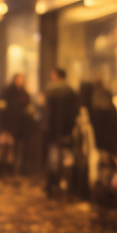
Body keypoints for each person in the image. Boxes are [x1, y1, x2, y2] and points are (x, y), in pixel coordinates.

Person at [43, 68, 81, 199]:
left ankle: (52, 186)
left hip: (52, 132)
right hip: (66, 131)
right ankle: (66, 185)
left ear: (56, 76)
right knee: (66, 158)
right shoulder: (70, 92)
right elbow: (74, 112)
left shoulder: (49, 91)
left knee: (53, 159)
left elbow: (46, 114)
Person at [0, 72, 32, 175]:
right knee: (6, 149)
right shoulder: (7, 92)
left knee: (15, 149)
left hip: (20, 127)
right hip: (8, 126)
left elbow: (28, 106)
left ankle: (13, 170)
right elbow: (1, 110)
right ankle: (3, 170)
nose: (20, 81)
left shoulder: (23, 92)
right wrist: (2, 126)